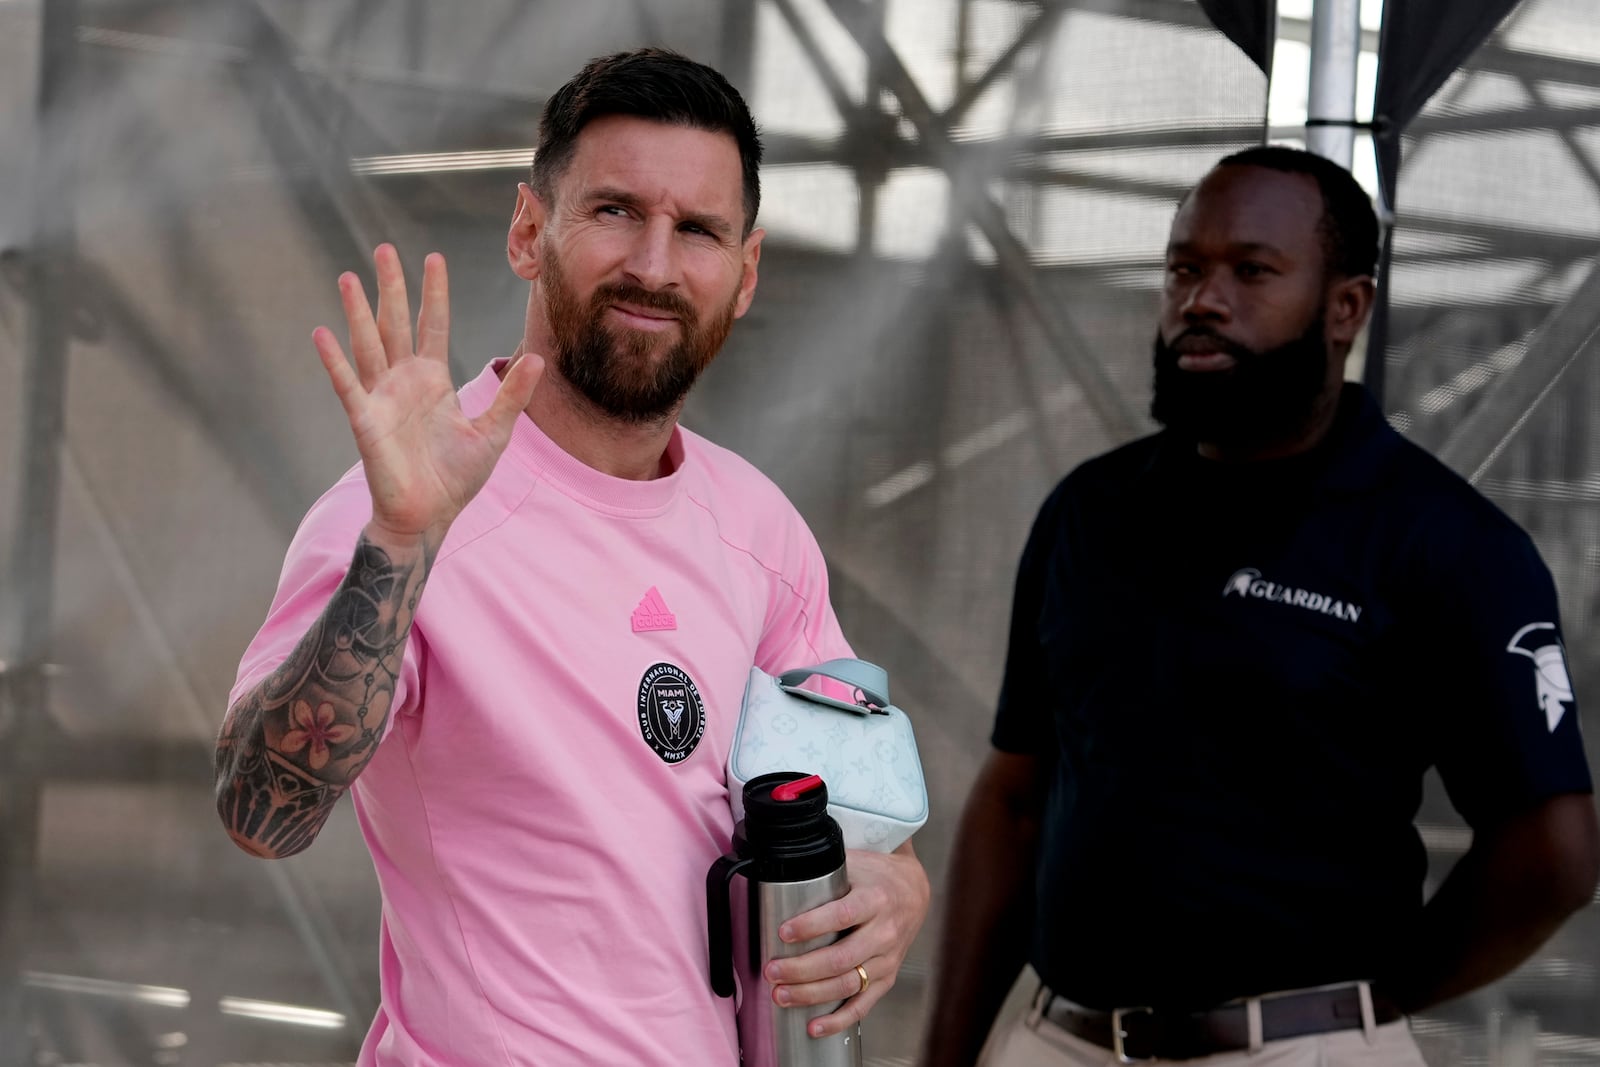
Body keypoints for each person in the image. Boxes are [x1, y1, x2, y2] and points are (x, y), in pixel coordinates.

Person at [213, 48, 929, 1065]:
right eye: (613, 211)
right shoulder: (399, 510)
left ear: (746, 271)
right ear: (526, 231)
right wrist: (400, 544)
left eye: (698, 230)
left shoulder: (758, 525)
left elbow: (851, 801)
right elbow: (259, 812)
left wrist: (900, 881)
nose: (653, 262)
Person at [921, 145, 1599, 1067]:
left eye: (1252, 270)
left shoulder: (1446, 543)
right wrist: (944, 1055)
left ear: (1345, 308)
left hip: (1300, 1050)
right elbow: (1013, 800)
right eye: (1184, 269)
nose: (1203, 297)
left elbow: (1552, 854)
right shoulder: (1090, 512)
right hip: (1060, 1038)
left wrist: (1380, 998)